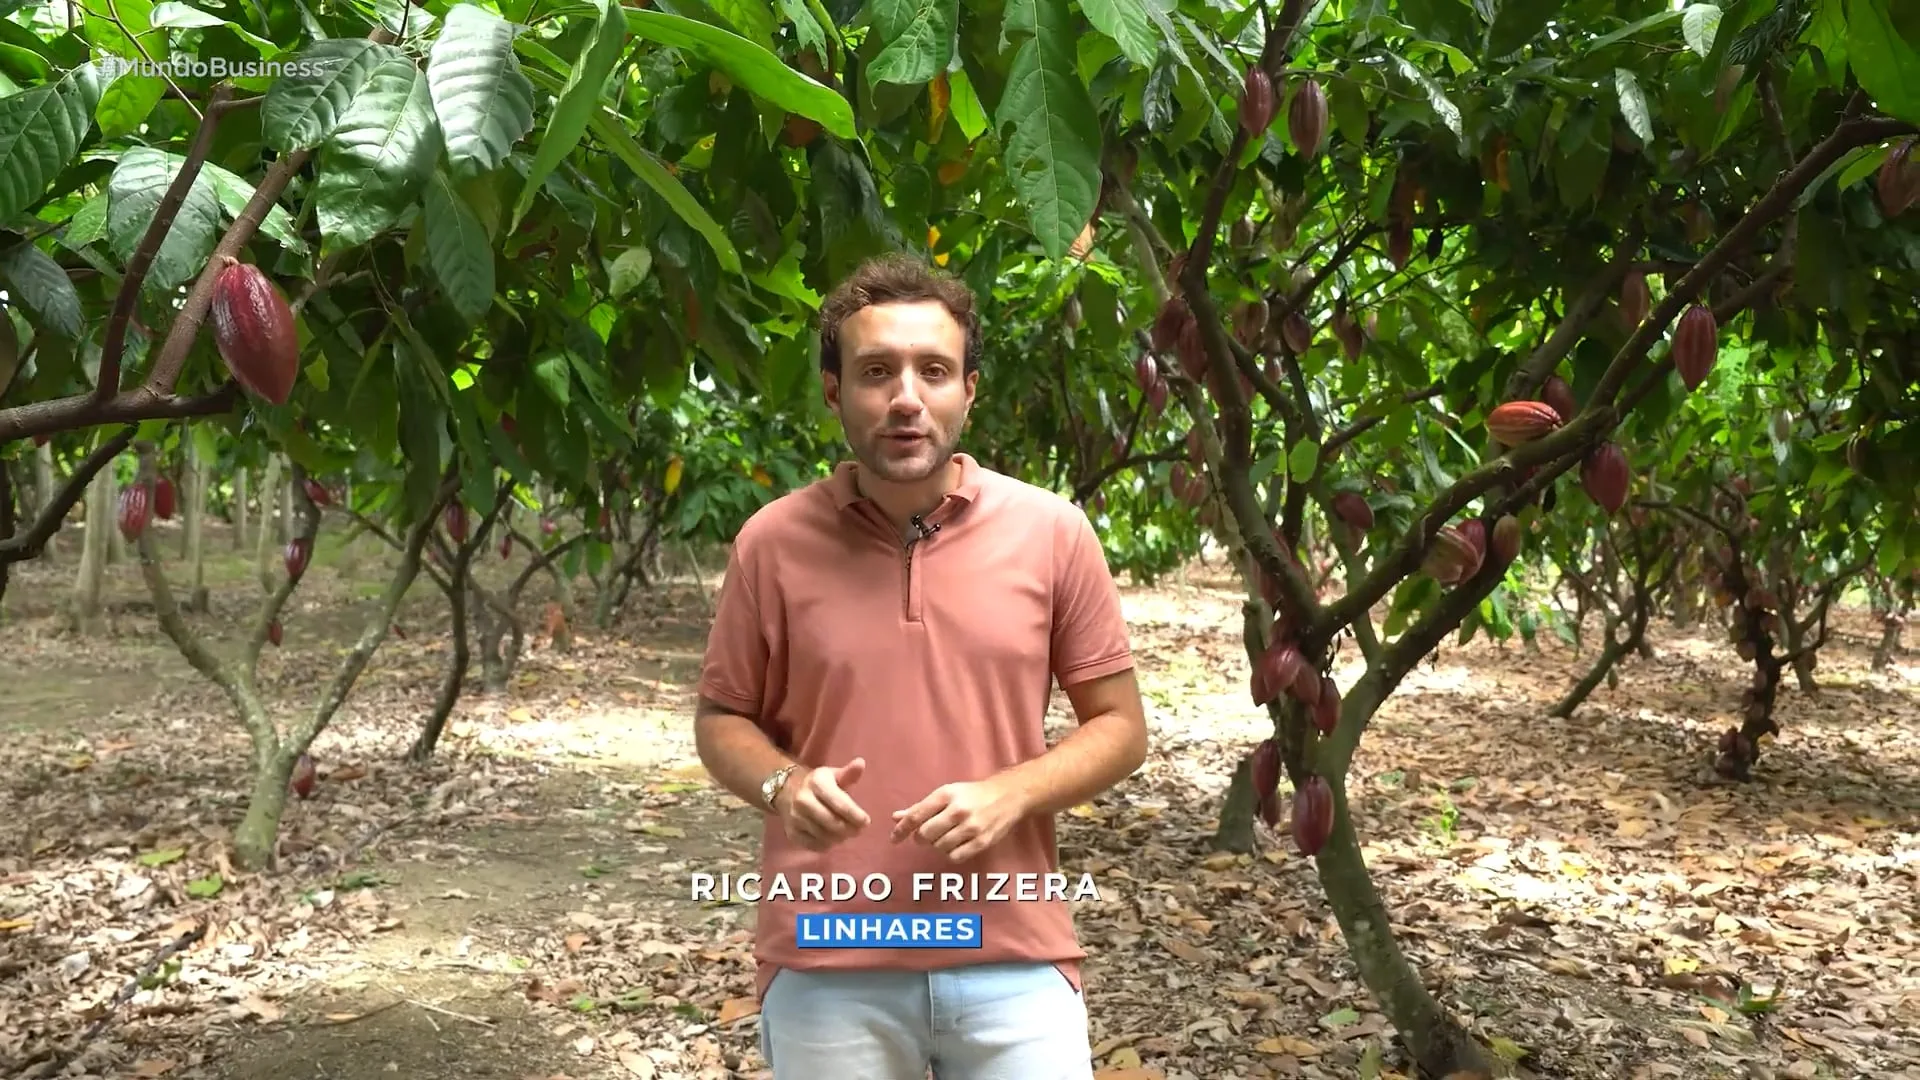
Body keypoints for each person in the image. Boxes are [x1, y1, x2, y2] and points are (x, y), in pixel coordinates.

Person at [691, 251, 1149, 1079]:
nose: (906, 397)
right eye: (876, 372)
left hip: (1012, 953)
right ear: (835, 392)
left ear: (968, 390)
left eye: (932, 370)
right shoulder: (772, 544)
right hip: (830, 958)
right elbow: (723, 719)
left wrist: (1012, 792)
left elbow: (1120, 728)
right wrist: (784, 786)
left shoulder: (1052, 534)